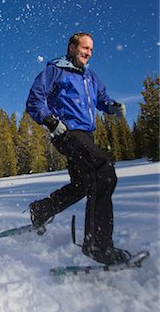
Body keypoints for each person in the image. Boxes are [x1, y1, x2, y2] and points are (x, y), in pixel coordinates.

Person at [26, 32, 131, 265]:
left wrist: (111, 106)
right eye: (85, 48)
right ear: (72, 48)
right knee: (103, 172)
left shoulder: (90, 76)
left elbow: (101, 98)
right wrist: (51, 121)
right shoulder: (55, 70)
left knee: (83, 184)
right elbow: (35, 99)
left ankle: (41, 210)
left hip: (85, 135)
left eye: (91, 49)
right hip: (67, 132)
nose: (88, 53)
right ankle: (97, 245)